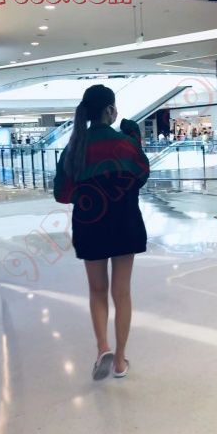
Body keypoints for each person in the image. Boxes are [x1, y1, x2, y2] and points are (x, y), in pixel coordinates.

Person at [54, 85, 150, 381]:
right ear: (110, 110)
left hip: (89, 225)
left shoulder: (74, 148)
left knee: (97, 291)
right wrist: (135, 139)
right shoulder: (125, 143)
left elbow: (61, 193)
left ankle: (103, 349)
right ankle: (119, 361)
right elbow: (141, 175)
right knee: (122, 292)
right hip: (125, 222)